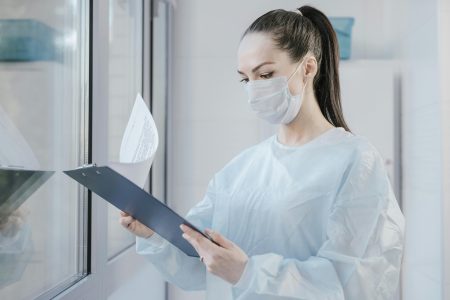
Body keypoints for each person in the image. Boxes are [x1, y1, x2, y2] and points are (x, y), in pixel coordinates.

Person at [120, 5, 405, 300]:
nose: (254, 89)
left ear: (308, 67)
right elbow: (199, 263)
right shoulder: (240, 170)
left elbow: (357, 281)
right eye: (246, 79)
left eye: (265, 74)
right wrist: (154, 234)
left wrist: (248, 273)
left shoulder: (355, 160)